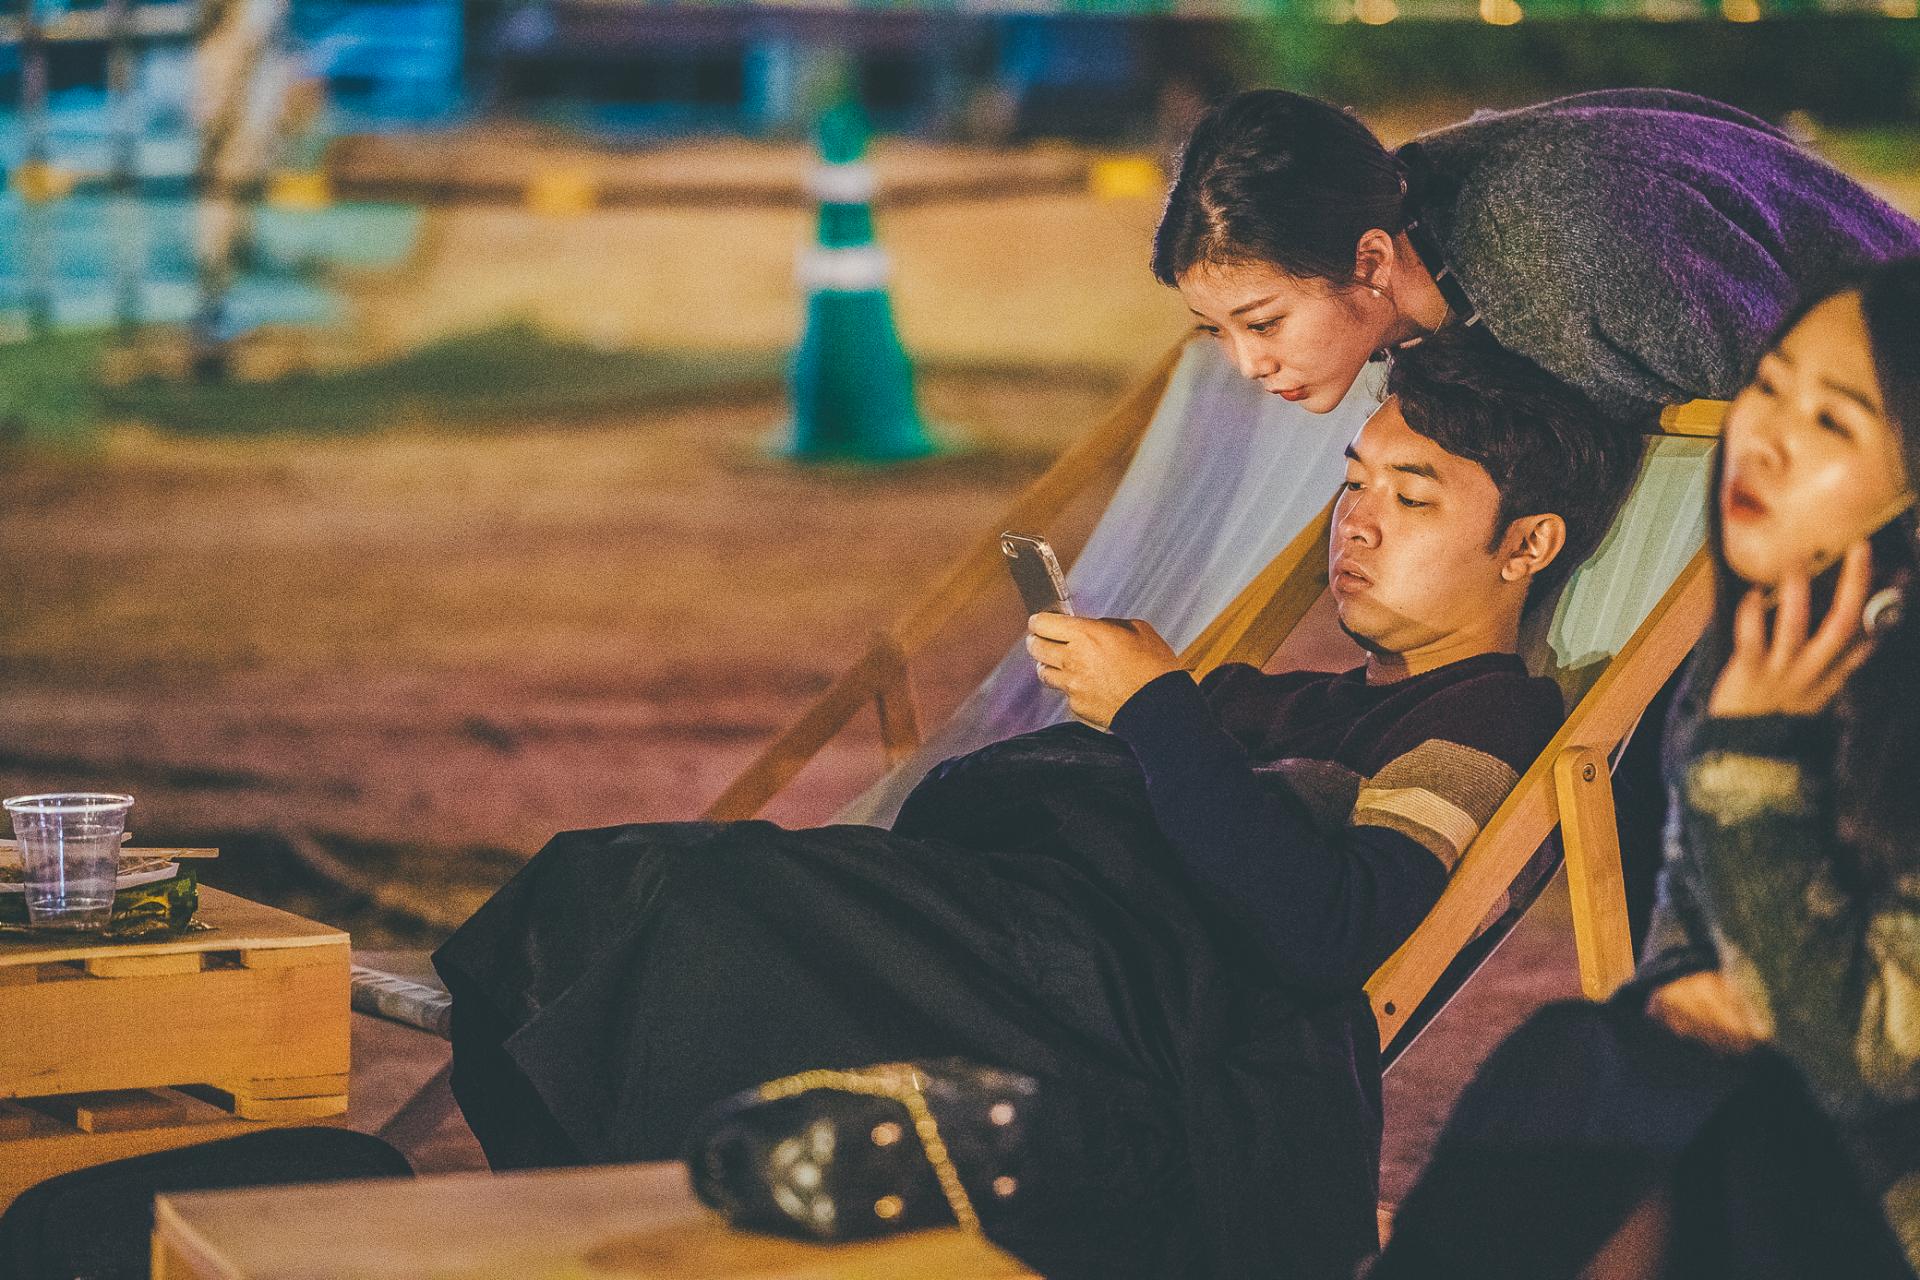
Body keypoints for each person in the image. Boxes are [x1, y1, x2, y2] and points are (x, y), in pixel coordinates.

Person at [434, 331, 1639, 1280]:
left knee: (686, 906)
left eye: (1413, 499)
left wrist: (1158, 711)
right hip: (1017, 942)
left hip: (1110, 1012)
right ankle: (593, 1228)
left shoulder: (1481, 717)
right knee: (602, 883)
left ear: (1527, 544)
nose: (1357, 522)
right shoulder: (1273, 695)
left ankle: (624, 1230)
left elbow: (1327, 929)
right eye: (1354, 480)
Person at [1155, 86, 1920, 947]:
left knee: (1684, 741)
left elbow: (1800, 407)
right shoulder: (1414, 238)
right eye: (1217, 332)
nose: (1249, 363)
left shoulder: (1556, 258)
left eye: (1263, 323)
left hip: (1889, 414)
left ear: (1370, 262)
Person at [1370, 259, 1920, 1279]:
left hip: (1874, 1200)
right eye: (1770, 385)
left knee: (1647, 1107)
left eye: (1831, 423)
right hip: (1771, 1146)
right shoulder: (1759, 650)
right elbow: (1697, 945)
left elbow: (1871, 1060)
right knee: (1576, 1062)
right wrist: (1687, 995)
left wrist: (1755, 766)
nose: (1765, 436)